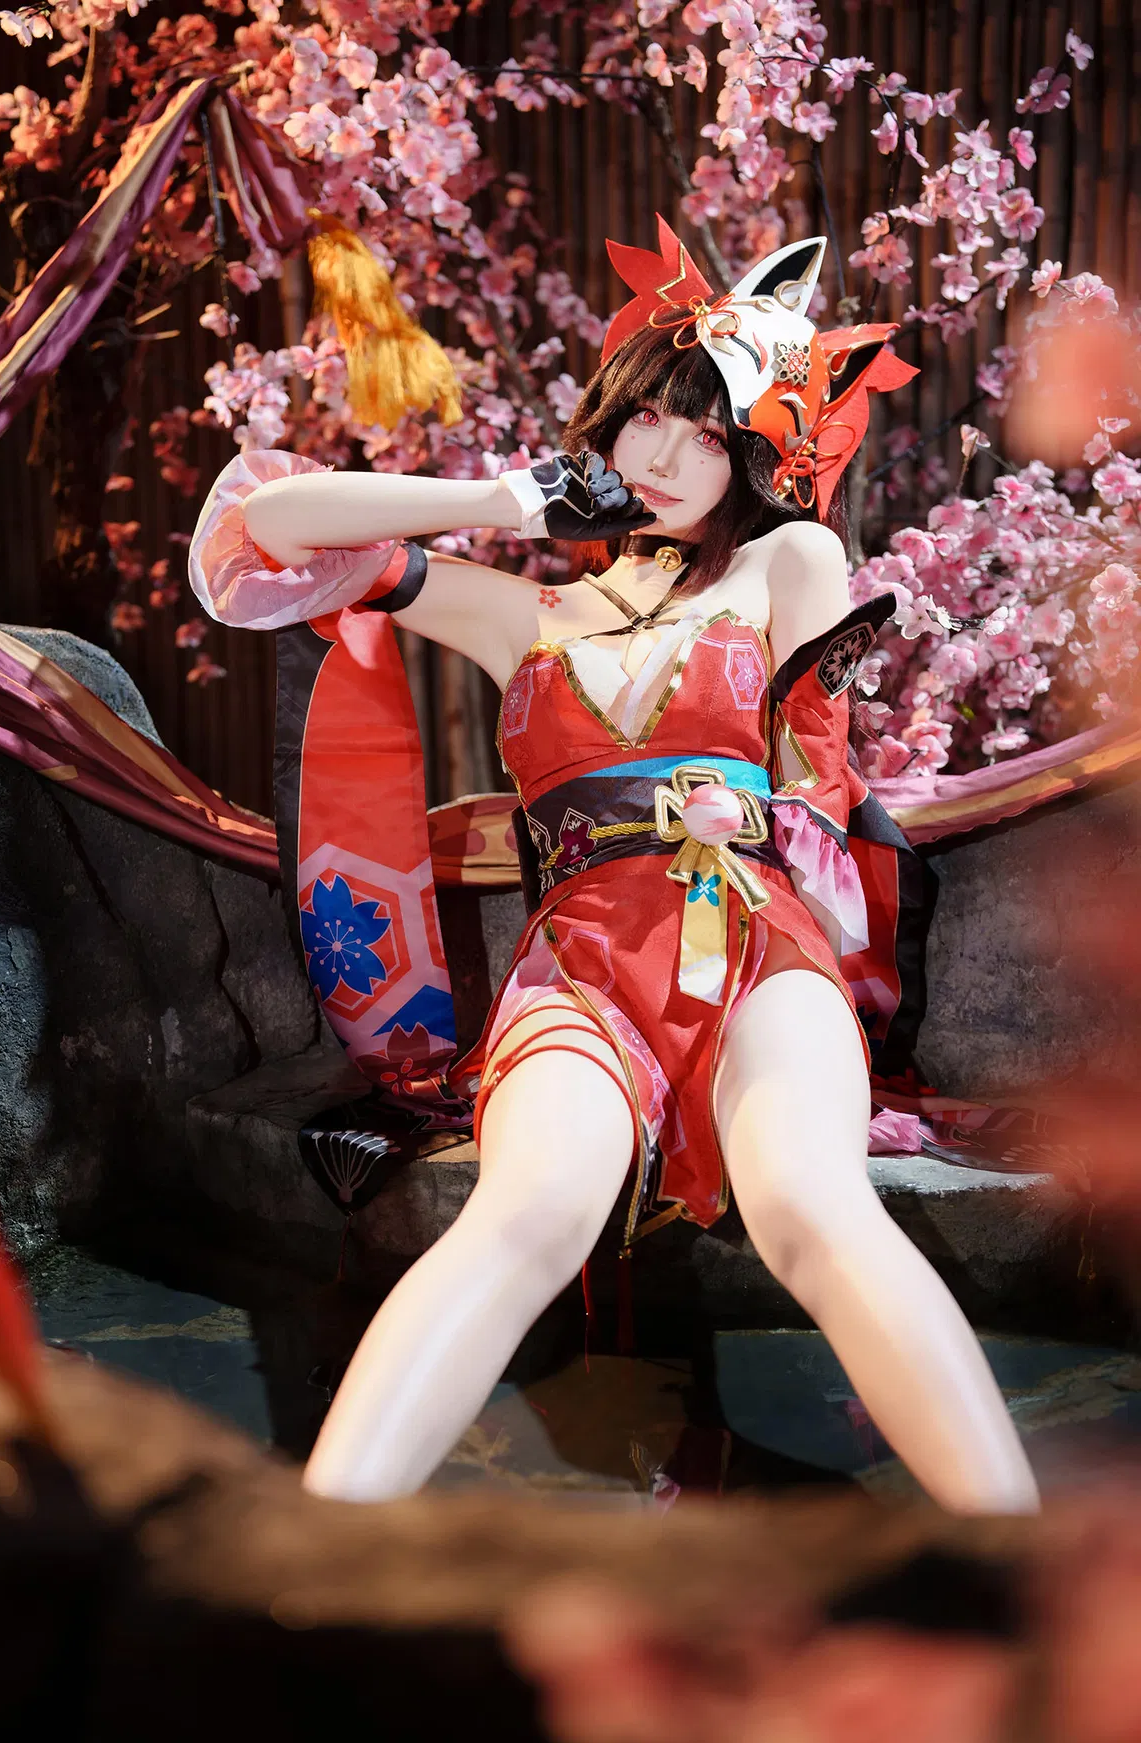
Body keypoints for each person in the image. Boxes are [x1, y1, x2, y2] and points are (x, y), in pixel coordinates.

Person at [190, 223, 1039, 1514]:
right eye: (646, 417)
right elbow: (261, 533)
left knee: (812, 1207)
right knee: (525, 1216)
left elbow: (817, 782)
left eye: (707, 433)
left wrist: (755, 809)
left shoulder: (788, 562)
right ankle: (308, 1565)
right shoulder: (515, 613)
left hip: (754, 937)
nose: (665, 456)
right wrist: (506, 502)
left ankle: (1011, 1551)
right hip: (578, 966)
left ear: (758, 453)